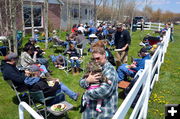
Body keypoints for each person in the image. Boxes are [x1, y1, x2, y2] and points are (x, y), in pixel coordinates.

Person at [79, 47, 119, 119]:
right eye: (94, 59)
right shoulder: (93, 67)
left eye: (98, 58)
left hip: (104, 110)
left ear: (104, 55)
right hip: (90, 107)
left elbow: (104, 91)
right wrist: (87, 81)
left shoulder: (109, 70)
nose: (96, 61)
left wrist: (86, 94)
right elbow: (81, 82)